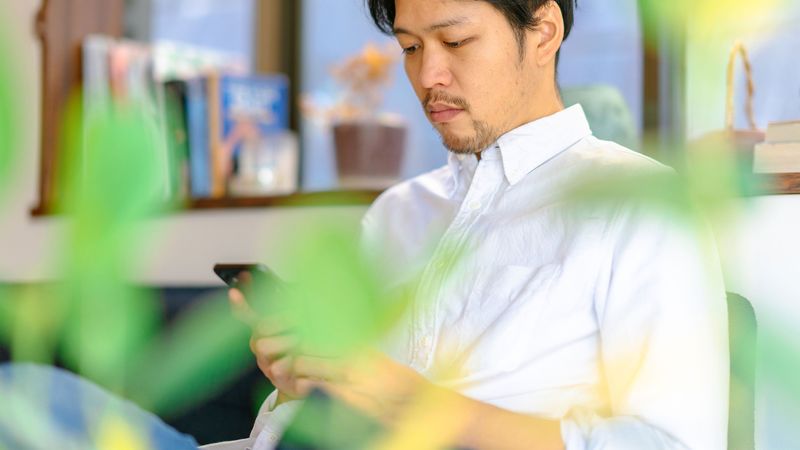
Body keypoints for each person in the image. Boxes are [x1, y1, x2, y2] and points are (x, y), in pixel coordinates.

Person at [227, 1, 730, 450]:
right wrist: (304, 384)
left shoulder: (641, 204)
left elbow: (671, 443)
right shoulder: (396, 212)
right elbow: (342, 420)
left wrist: (415, 404)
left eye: (455, 41)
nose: (428, 76)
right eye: (410, 48)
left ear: (544, 33)